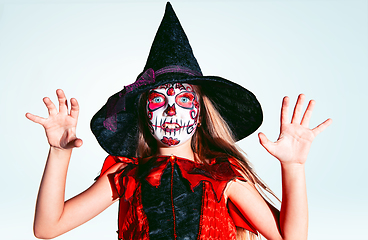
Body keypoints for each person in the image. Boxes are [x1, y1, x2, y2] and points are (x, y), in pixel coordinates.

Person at [26, 3, 332, 240]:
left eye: (184, 100)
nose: (171, 111)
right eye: (159, 100)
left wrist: (293, 167)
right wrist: (59, 152)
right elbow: (47, 227)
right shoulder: (127, 176)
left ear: (200, 114)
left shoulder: (222, 176)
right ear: (144, 114)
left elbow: (288, 236)